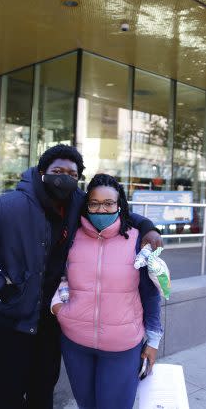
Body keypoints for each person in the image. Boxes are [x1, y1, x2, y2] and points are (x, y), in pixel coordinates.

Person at [0, 145, 162, 409]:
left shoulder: (76, 202)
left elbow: (115, 206)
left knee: (43, 387)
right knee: (9, 391)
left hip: (48, 321)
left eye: (72, 173)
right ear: (42, 172)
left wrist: (149, 228)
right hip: (9, 316)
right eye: (57, 171)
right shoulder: (7, 206)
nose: (64, 177)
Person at [51, 173, 163, 409]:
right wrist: (59, 308)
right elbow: (56, 274)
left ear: (120, 204)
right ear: (86, 205)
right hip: (75, 343)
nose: (101, 210)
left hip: (121, 347)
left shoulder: (137, 240)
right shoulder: (72, 236)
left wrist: (153, 340)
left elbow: (151, 294)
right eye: (94, 203)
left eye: (109, 203)